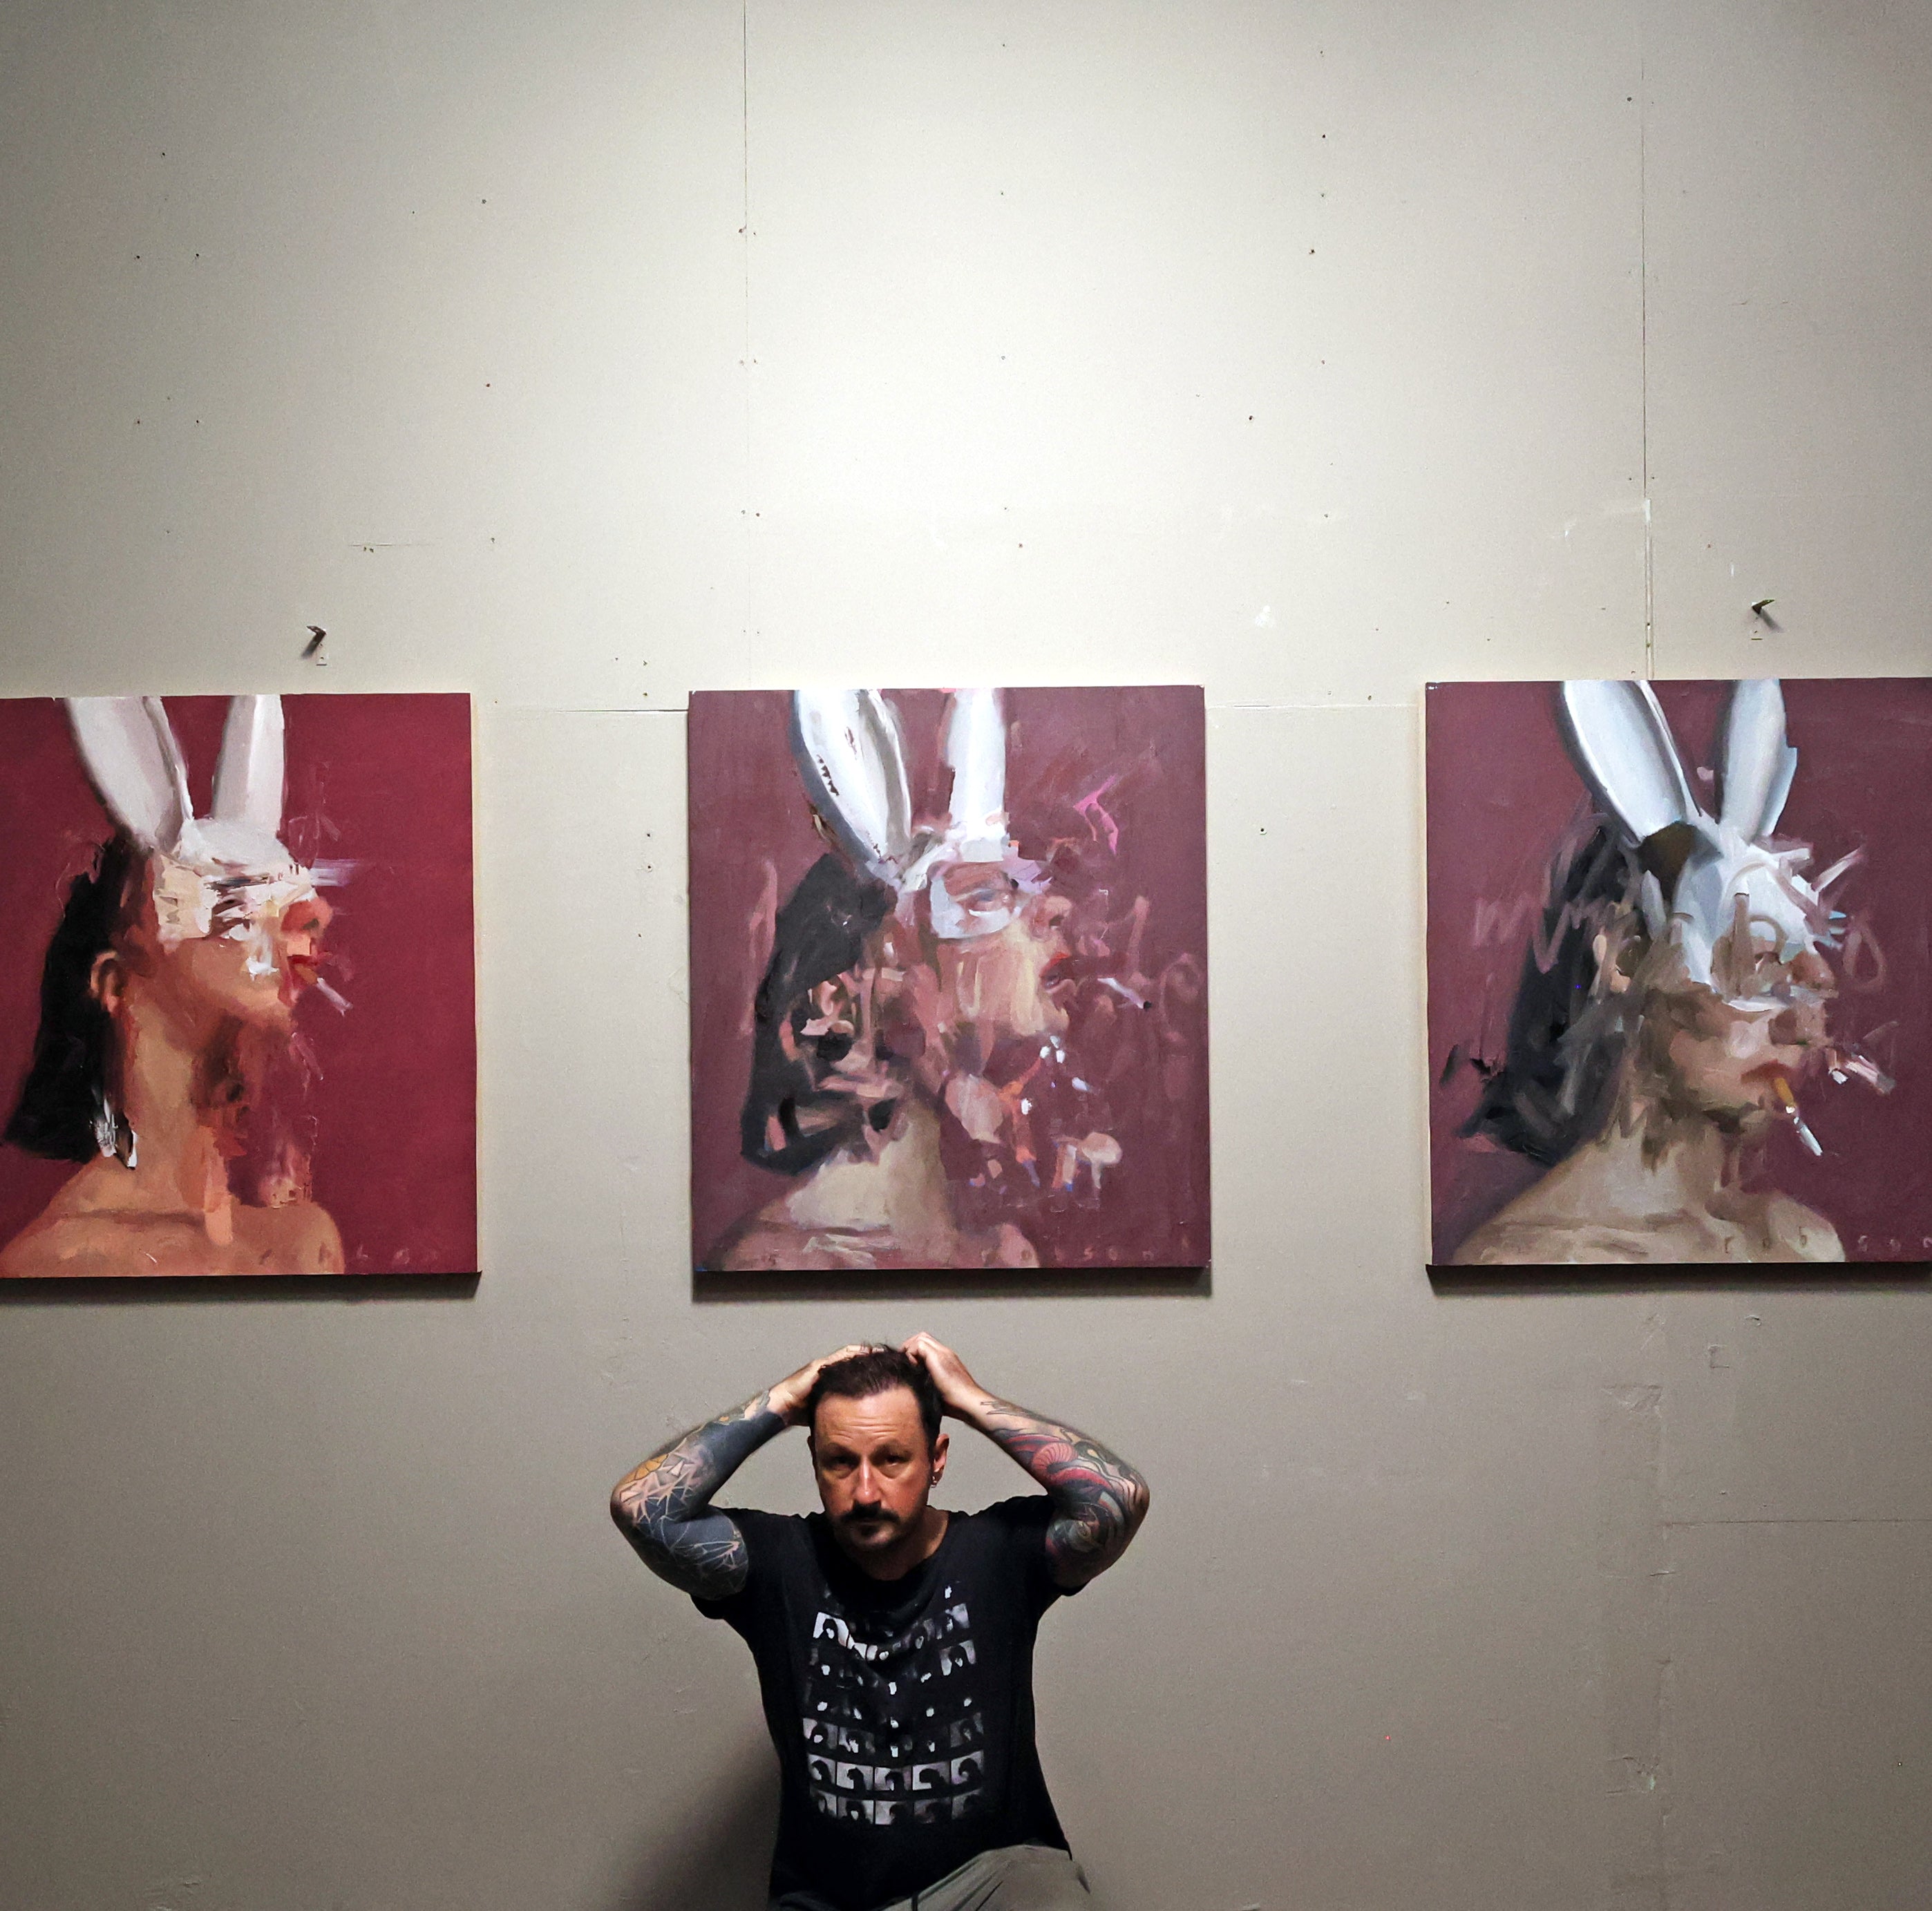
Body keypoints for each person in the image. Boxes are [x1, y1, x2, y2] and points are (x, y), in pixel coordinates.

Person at [610, 1335, 1150, 1910]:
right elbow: (641, 1509)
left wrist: (969, 1399)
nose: (865, 1491)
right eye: (840, 1462)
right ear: (815, 1460)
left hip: (992, 1883)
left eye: (892, 1459)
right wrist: (783, 1401)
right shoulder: (778, 1564)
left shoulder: (998, 1555)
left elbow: (1118, 1497)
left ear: (937, 1459)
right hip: (828, 1898)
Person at [1452, 678, 1882, 1264]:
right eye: (1754, 971)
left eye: (1809, 991)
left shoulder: (1799, 1241)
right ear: (1628, 957)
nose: (1805, 1030)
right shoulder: (1534, 1260)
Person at [1, 696, 342, 1277]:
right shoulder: (51, 1264)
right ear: (113, 982)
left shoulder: (300, 1239)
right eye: (230, 902)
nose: (312, 918)